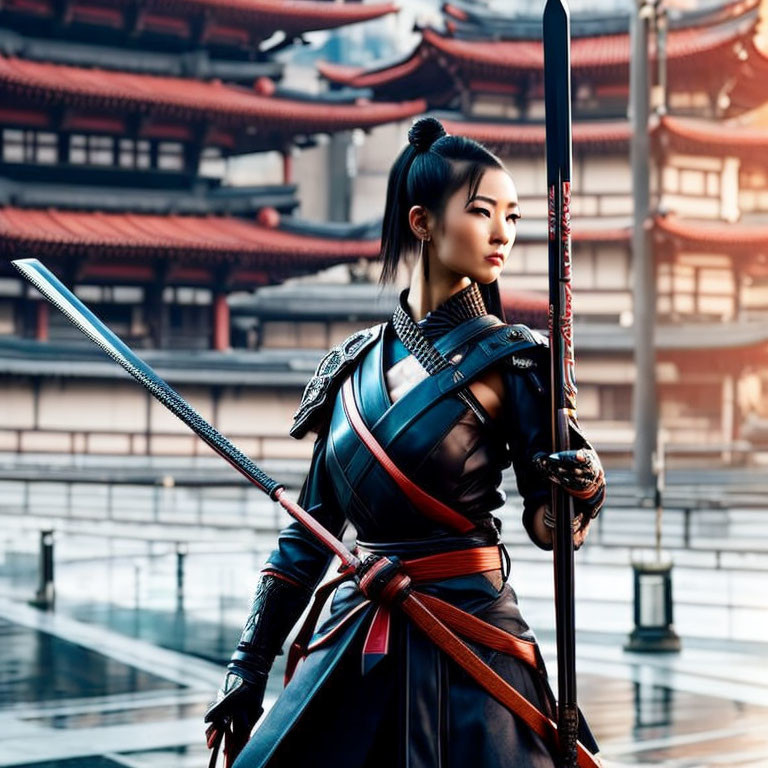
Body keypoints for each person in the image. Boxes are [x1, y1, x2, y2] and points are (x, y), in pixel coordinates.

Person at [205, 117, 605, 768]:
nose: (503, 232)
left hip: (471, 631)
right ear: (422, 222)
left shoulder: (520, 360)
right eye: (482, 212)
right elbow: (307, 536)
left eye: (513, 215)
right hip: (360, 625)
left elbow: (549, 525)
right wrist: (247, 666)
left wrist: (581, 483)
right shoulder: (350, 367)